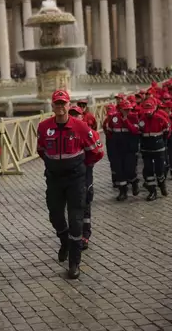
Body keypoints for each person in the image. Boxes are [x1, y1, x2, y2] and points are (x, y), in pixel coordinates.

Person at [37, 90, 104, 279]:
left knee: (76, 221)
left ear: (68, 105)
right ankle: (64, 241)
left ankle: (74, 262)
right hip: (54, 180)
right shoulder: (43, 127)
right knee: (55, 216)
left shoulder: (81, 127)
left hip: (76, 180)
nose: (60, 106)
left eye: (63, 103)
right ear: (52, 105)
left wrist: (80, 166)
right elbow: (41, 149)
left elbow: (97, 151)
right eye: (56, 103)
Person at [68, 105, 100, 250]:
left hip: (85, 172)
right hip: (70, 174)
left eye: (77, 115)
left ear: (82, 116)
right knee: (72, 205)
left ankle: (85, 235)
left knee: (85, 201)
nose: (74, 117)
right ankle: (74, 233)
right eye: (72, 114)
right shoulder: (65, 133)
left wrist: (85, 164)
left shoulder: (89, 132)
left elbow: (98, 152)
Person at [104, 99, 141, 201]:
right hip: (117, 149)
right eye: (125, 109)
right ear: (120, 109)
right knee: (119, 170)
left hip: (130, 149)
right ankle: (123, 191)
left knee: (130, 169)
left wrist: (126, 120)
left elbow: (135, 131)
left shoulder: (134, 117)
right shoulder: (114, 118)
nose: (127, 111)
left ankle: (134, 183)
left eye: (128, 109)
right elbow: (110, 132)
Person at [139, 101, 170, 201]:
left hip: (158, 148)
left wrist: (160, 141)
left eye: (150, 112)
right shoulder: (142, 120)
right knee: (148, 170)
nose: (148, 114)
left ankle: (162, 185)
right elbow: (139, 133)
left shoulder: (160, 119)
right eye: (146, 112)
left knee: (160, 170)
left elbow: (167, 132)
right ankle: (152, 191)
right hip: (146, 149)